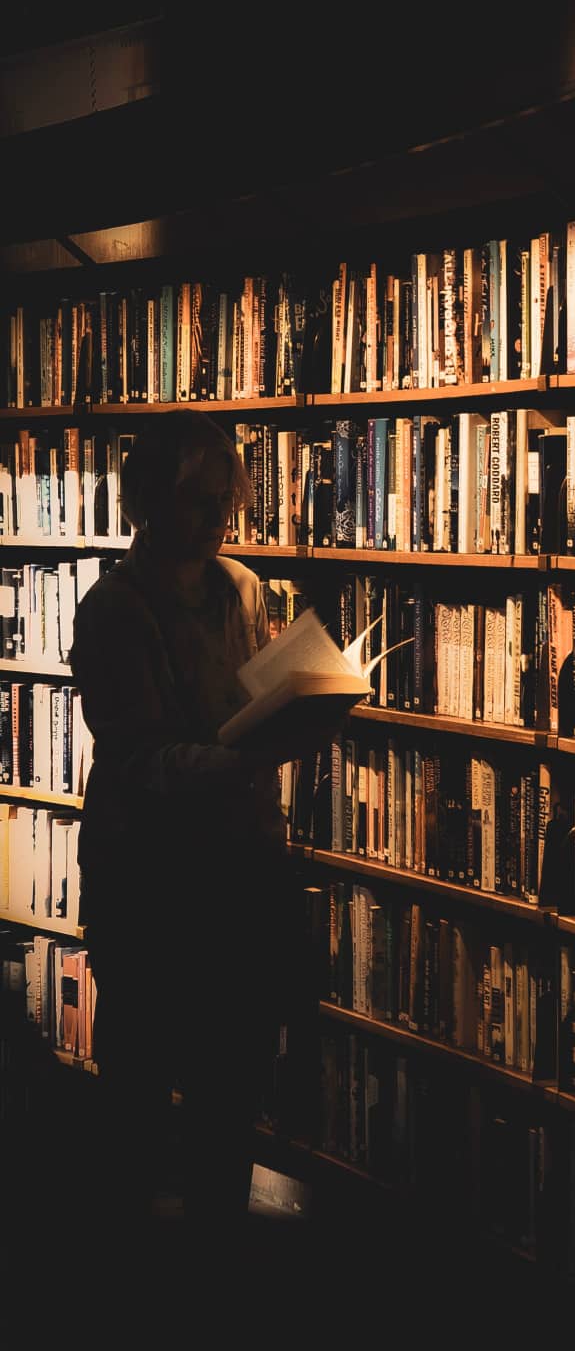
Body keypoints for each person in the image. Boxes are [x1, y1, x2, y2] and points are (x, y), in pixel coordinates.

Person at [69, 412, 311, 1244]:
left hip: (240, 870)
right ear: (149, 503)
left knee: (233, 1084)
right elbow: (137, 758)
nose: (219, 520)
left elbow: (244, 704)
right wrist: (243, 760)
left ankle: (217, 1257)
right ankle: (124, 1267)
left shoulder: (241, 587)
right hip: (149, 878)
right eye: (201, 503)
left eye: (226, 500)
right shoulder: (112, 611)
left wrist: (296, 709)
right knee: (138, 1082)